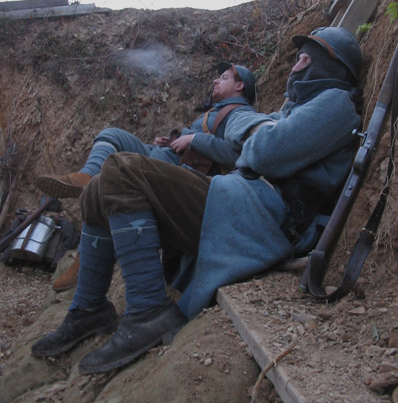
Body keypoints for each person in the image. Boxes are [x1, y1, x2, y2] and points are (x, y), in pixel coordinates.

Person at [31, 26, 362, 376]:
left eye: (307, 58)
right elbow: (259, 146)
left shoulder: (336, 104)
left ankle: (147, 311)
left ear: (330, 66)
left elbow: (263, 152)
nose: (297, 65)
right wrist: (259, 134)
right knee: (98, 188)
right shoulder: (293, 110)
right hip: (238, 200)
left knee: (120, 170)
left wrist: (252, 135)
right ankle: (88, 309)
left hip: (261, 216)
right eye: (297, 57)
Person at [39, 62, 256, 291]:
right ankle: (86, 175)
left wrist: (193, 140)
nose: (215, 80)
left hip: (179, 178)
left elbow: (240, 153)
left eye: (223, 77)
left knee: (113, 182)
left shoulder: (240, 114)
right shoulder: (213, 113)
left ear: (240, 85)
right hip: (165, 159)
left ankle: (87, 257)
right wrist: (171, 142)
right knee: (111, 136)